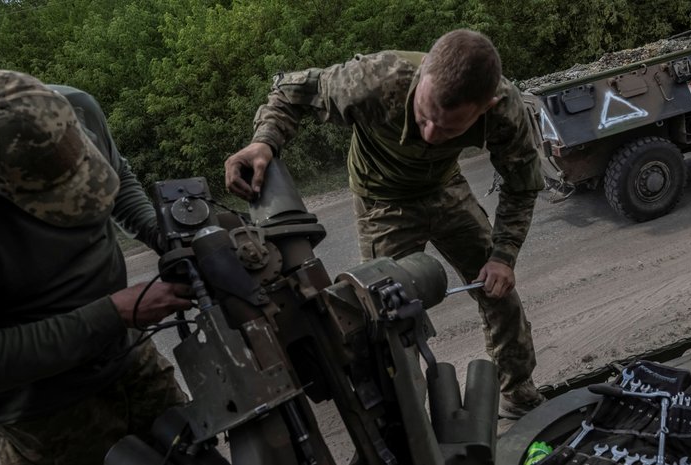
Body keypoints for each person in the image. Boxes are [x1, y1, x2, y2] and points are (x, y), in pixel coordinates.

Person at [224, 29, 546, 418]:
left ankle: (519, 393)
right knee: (386, 320)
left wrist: (504, 255)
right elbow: (290, 93)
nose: (430, 134)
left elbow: (522, 186)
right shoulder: (376, 79)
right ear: (423, 71)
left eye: (448, 129)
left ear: (485, 107)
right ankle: (409, 426)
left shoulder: (505, 110)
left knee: (498, 290)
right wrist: (265, 142)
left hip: (445, 189)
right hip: (382, 203)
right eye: (425, 117)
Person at [0, 70, 194, 465]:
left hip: (129, 360)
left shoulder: (71, 108)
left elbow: (119, 181)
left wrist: (162, 235)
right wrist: (114, 312)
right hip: (41, 416)